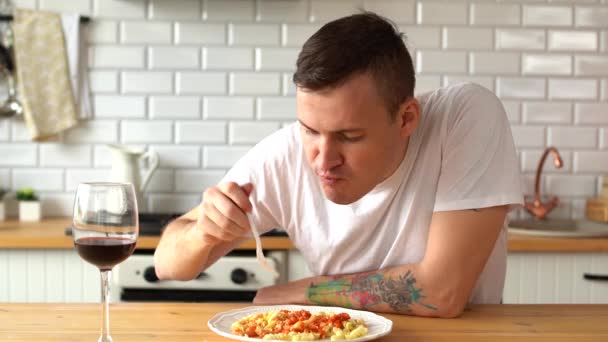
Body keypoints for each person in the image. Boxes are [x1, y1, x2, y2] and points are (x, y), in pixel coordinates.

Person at [154, 12, 523, 318]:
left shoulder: (465, 116)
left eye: (349, 136)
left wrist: (300, 291)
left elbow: (442, 291)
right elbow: (166, 263)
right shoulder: (286, 155)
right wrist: (203, 232)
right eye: (310, 130)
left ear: (406, 118)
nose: (323, 159)